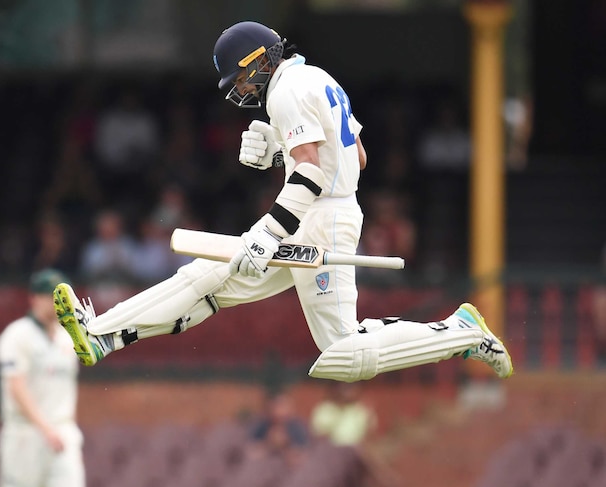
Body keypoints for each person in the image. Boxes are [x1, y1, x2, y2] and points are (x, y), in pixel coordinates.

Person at [52, 21, 513, 385]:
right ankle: (102, 336)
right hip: (316, 211)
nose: (243, 90)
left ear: (258, 63)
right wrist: (280, 151)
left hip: (322, 216)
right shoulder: (316, 79)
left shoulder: (287, 91)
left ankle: (462, 332)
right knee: (207, 279)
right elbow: (356, 156)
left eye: (242, 79)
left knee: (343, 351)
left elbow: (312, 172)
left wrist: (266, 233)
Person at [0, 269, 88, 487]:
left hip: (63, 433)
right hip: (26, 433)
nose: (52, 304)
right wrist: (45, 428)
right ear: (33, 298)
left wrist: (64, 427)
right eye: (46, 296)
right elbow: (16, 387)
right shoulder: (17, 335)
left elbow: (68, 390)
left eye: (58, 298)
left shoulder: (70, 337)